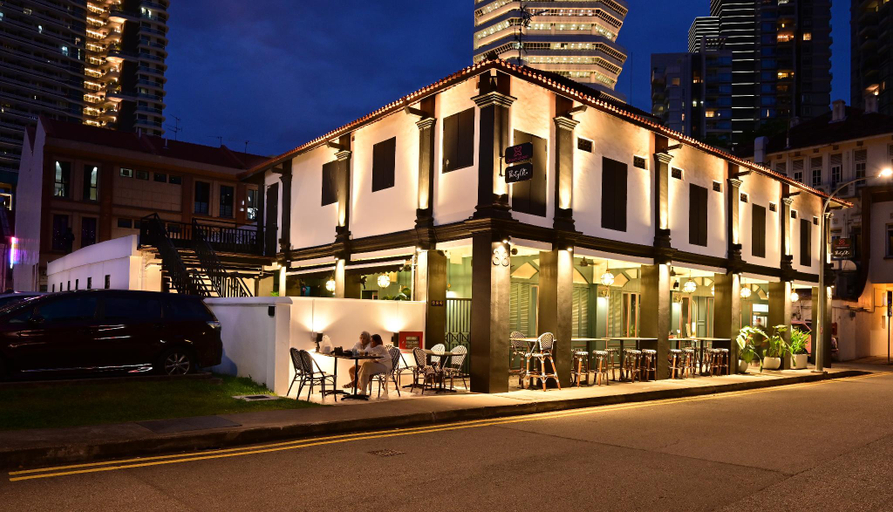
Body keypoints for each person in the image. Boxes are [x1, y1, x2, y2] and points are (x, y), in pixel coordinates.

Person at [357, 334, 393, 398]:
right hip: (382, 364)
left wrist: (368, 345)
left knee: (366, 366)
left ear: (376, 341)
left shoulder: (380, 347)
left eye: (372, 341)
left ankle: (363, 390)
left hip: (385, 367)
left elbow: (369, 351)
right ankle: (361, 387)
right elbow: (377, 356)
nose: (371, 343)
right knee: (365, 365)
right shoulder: (378, 348)